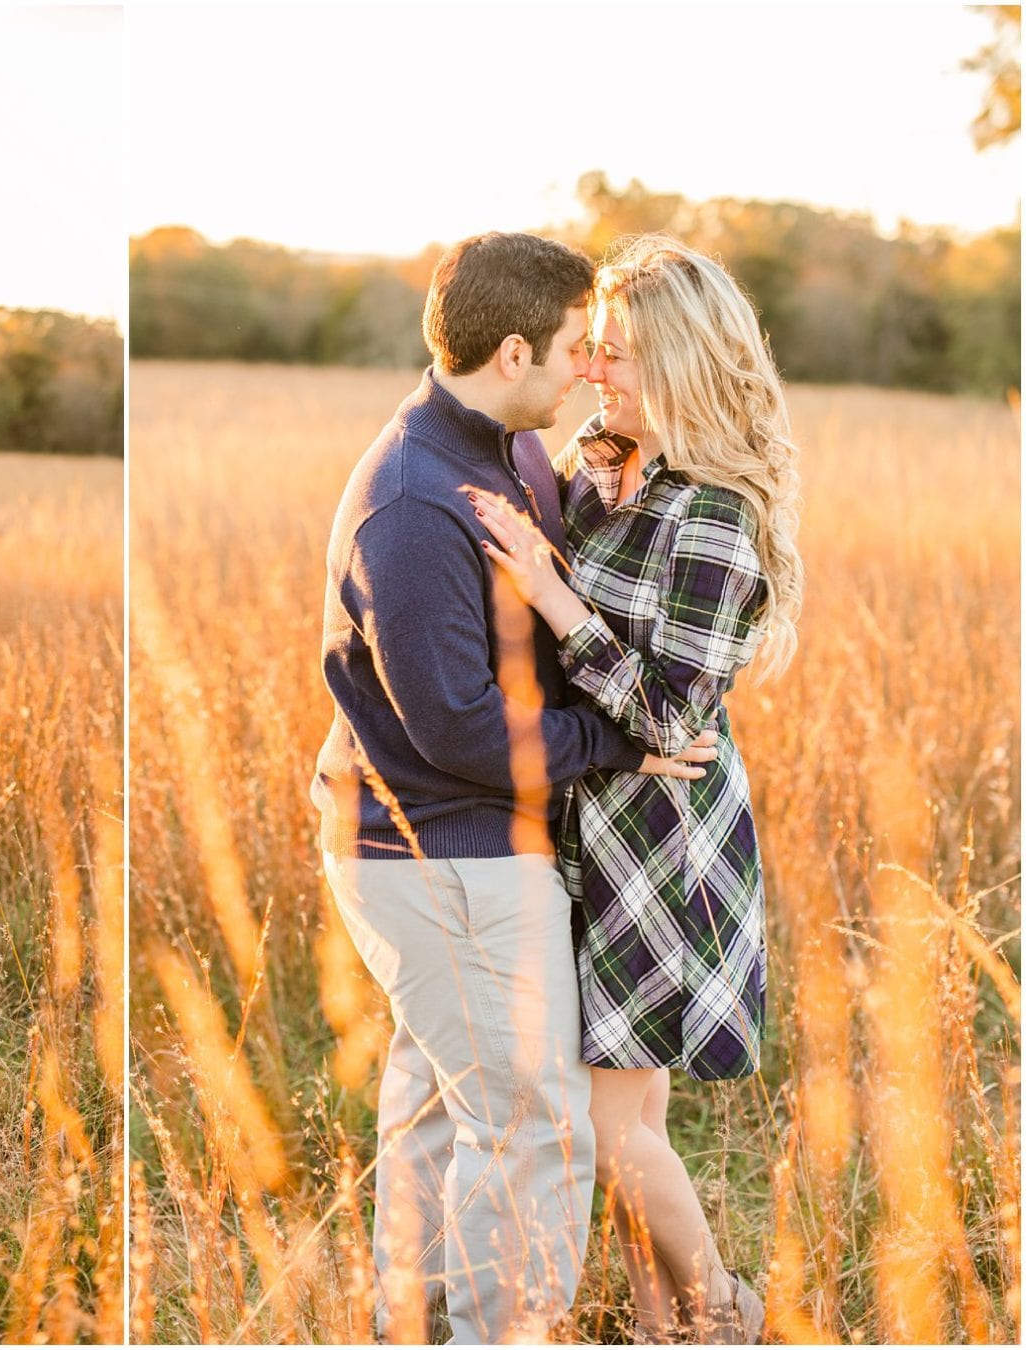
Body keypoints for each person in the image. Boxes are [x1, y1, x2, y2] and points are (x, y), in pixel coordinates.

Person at [311, 231, 719, 1344]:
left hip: (459, 841)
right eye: (572, 350)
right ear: (508, 352)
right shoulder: (415, 501)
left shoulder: (506, 446)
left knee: (445, 1104)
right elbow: (456, 729)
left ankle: (420, 1319)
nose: (587, 368)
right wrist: (619, 746)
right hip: (444, 847)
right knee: (534, 1124)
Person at [470, 235, 800, 1344]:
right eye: (592, 351)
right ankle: (665, 1327)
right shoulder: (612, 463)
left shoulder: (716, 516)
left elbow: (673, 718)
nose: (592, 372)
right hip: (593, 824)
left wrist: (556, 599)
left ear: (682, 365)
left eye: (613, 354)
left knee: (611, 1126)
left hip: (661, 844)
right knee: (633, 1109)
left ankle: (728, 1309)